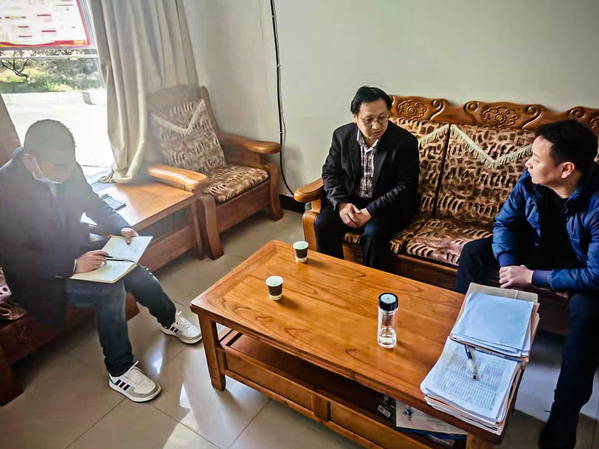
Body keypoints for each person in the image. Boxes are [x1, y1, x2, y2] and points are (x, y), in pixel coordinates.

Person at [0, 119, 202, 403]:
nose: (67, 173)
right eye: (59, 168)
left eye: (70, 164)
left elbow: (93, 202)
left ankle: (169, 319)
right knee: (109, 290)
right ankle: (120, 370)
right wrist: (72, 266)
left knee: (134, 270)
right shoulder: (5, 188)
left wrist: (121, 227)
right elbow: (14, 257)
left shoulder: (67, 167)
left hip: (77, 248)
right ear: (31, 160)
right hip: (39, 276)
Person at [455, 120, 599, 449]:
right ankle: (465, 351)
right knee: (474, 253)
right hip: (538, 248)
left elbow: (595, 274)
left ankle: (565, 413)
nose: (527, 163)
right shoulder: (531, 180)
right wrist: (509, 266)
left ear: (565, 169)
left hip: (581, 265)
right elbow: (506, 223)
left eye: (535, 157)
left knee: (588, 311)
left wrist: (531, 277)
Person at [314, 86, 419, 270]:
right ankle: (333, 277)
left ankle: (372, 283)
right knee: (323, 224)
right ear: (355, 117)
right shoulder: (342, 136)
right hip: (351, 199)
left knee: (373, 233)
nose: (376, 126)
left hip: (387, 206)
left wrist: (370, 211)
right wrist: (342, 204)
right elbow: (331, 173)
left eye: (382, 118)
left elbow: (406, 186)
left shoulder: (405, 142)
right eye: (368, 120)